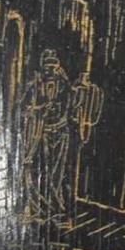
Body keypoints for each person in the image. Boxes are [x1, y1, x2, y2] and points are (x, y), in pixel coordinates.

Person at [18, 50, 75, 222]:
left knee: (57, 173)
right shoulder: (36, 85)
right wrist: (39, 109)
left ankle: (57, 209)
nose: (50, 70)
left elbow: (70, 108)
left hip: (60, 132)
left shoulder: (64, 86)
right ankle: (39, 209)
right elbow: (24, 107)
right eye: (47, 66)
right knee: (40, 170)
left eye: (53, 66)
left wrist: (61, 117)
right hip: (40, 132)